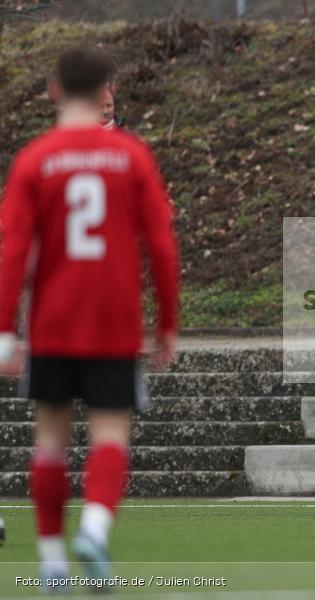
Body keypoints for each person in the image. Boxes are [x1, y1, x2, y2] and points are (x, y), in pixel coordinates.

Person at [0, 46, 179, 588]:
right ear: (106, 90)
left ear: (54, 90)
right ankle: (95, 532)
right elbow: (162, 247)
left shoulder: (35, 159)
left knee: (50, 440)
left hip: (52, 324)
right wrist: (167, 323)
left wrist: (6, 330)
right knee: (109, 437)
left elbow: (11, 252)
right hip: (114, 323)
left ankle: (52, 560)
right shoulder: (131, 156)